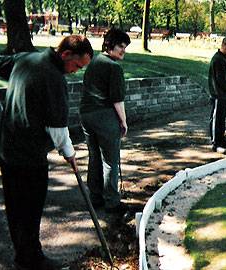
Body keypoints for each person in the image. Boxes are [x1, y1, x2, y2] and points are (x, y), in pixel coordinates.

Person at [0, 35, 93, 270]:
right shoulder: (53, 78)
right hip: (29, 155)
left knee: (15, 207)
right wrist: (69, 154)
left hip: (7, 150)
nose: (75, 71)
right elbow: (58, 128)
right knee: (30, 208)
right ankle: (31, 258)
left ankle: (23, 255)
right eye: (77, 66)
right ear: (66, 55)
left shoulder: (26, 59)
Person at [79, 28, 130, 214]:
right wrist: (123, 122)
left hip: (86, 114)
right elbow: (117, 99)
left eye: (125, 47)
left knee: (94, 158)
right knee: (110, 160)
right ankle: (112, 202)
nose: (123, 50)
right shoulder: (114, 67)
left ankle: (95, 197)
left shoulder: (94, 62)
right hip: (104, 116)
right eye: (120, 46)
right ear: (109, 45)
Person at [208, 36, 226, 151]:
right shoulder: (218, 59)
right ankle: (215, 142)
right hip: (217, 93)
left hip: (223, 94)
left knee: (222, 118)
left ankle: (221, 139)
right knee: (216, 118)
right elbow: (220, 80)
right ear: (223, 45)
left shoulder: (223, 58)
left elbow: (225, 68)